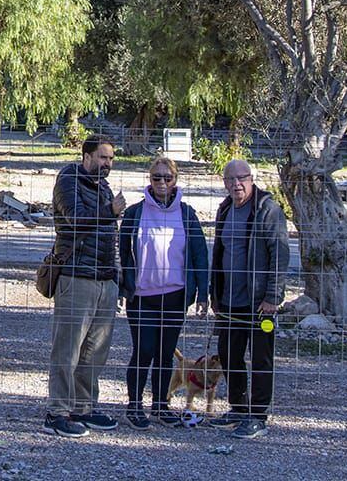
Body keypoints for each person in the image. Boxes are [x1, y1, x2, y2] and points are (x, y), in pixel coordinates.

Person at [118, 155, 209, 429]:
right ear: (150, 179)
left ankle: (160, 405)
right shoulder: (135, 213)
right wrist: (125, 285)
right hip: (142, 296)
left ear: (175, 180)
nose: (161, 183)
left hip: (175, 295)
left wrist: (202, 292)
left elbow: (199, 254)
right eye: (156, 177)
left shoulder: (187, 213)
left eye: (167, 178)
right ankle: (135, 406)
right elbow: (124, 251)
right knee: (143, 351)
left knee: (165, 352)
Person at [44, 135, 126, 439]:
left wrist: (116, 274)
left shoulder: (101, 186)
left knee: (95, 351)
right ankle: (57, 411)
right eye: (103, 157)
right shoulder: (69, 180)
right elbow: (74, 220)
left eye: (111, 159)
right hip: (76, 276)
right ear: (86, 156)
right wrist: (110, 211)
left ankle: (84, 407)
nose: (108, 164)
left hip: (104, 278)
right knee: (67, 348)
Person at [210, 158, 289, 439]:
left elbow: (280, 255)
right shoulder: (226, 208)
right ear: (224, 183)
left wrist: (272, 296)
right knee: (229, 355)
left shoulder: (267, 210)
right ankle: (239, 408)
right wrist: (215, 295)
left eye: (241, 178)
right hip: (229, 301)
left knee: (260, 358)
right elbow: (219, 254)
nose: (236, 184)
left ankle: (258, 415)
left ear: (251, 178)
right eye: (230, 180)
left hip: (259, 304)